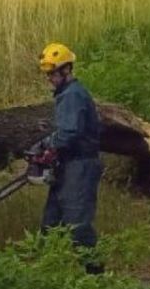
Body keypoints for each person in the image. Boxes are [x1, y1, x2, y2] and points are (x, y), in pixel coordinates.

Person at [38, 43, 103, 273]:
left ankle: (95, 275)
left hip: (80, 165)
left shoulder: (73, 95)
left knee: (77, 225)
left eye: (52, 73)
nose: (49, 78)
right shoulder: (66, 94)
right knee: (50, 223)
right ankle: (46, 276)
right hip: (67, 165)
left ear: (66, 70)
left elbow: (69, 132)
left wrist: (47, 145)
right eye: (47, 74)